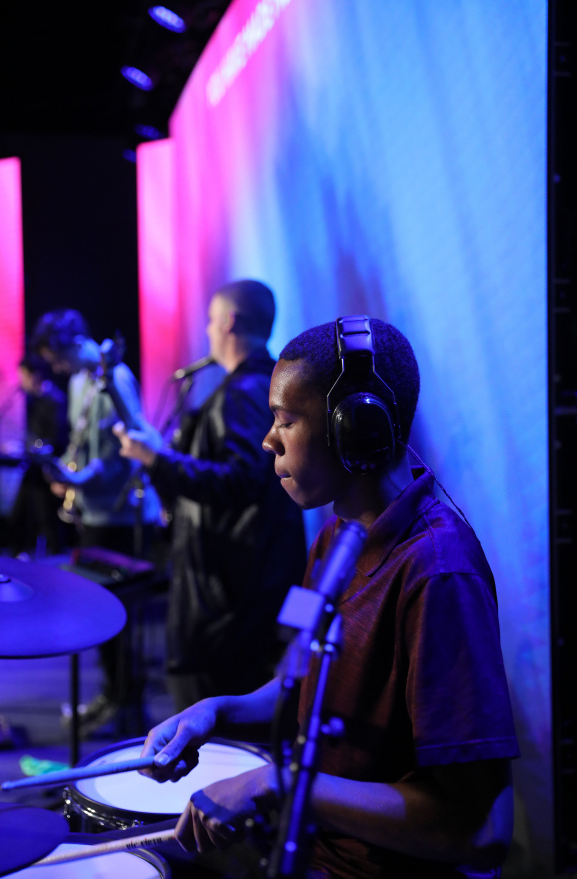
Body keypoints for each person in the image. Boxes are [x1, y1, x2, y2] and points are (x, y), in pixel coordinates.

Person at [138, 316, 520, 879]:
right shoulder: (336, 538)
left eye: (285, 420)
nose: (268, 440)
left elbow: (480, 831)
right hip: (313, 850)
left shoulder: (438, 575)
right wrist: (218, 711)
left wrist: (283, 784)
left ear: (357, 429)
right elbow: (306, 687)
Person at [114, 279, 307, 712]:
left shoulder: (243, 392)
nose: (206, 331)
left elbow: (240, 480)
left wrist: (155, 460)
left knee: (210, 713)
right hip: (246, 584)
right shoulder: (263, 385)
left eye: (210, 320)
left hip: (230, 596)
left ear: (229, 322)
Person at [31, 308, 161, 732]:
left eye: (57, 358)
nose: (56, 368)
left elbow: (130, 450)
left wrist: (81, 478)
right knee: (100, 614)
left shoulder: (116, 377)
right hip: (93, 511)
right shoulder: (77, 382)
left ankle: (126, 706)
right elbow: (84, 442)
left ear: (73, 343)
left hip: (121, 515)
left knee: (119, 617)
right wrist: (68, 477)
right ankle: (112, 697)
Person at [8, 353, 69, 555]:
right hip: (33, 467)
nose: (21, 382)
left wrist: (39, 449)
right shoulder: (32, 401)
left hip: (47, 469)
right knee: (18, 515)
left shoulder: (55, 400)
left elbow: (58, 439)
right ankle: (18, 557)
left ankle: (55, 560)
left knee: (47, 520)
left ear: (35, 375)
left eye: (24, 376)